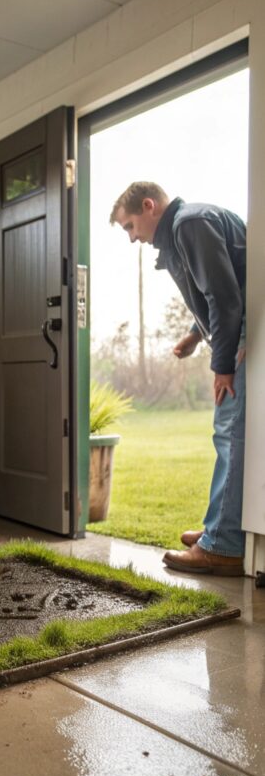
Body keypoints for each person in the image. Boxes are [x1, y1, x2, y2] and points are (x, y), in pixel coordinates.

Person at [110, 181, 246, 576]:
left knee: (230, 431)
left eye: (130, 226)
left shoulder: (190, 223)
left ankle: (223, 545)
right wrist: (193, 334)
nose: (133, 237)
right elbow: (215, 286)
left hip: (242, 332)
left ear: (149, 206)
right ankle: (216, 530)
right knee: (228, 431)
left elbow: (225, 296)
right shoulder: (186, 226)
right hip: (235, 330)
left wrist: (221, 365)